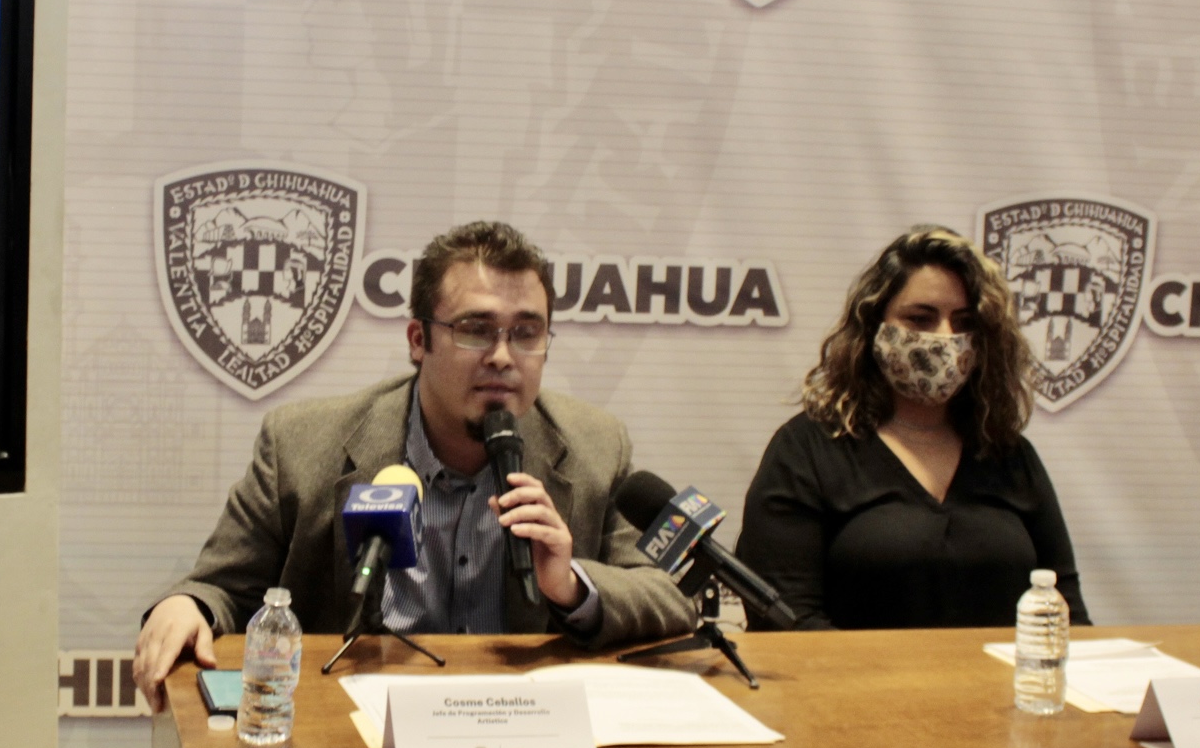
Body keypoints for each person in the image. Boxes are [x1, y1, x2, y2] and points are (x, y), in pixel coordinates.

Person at [133, 220, 695, 710]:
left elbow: (666, 595)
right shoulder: (302, 446)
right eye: (475, 330)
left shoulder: (594, 446)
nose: (503, 357)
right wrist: (187, 606)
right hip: (356, 741)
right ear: (418, 340)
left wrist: (569, 585)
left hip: (524, 734)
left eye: (527, 333)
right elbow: (220, 587)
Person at [734, 224, 1087, 629]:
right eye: (920, 318)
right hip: (850, 672)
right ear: (874, 326)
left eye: (964, 322)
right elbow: (785, 623)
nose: (945, 338)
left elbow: (1067, 614)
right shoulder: (808, 450)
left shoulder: (1008, 453)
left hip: (1003, 673)